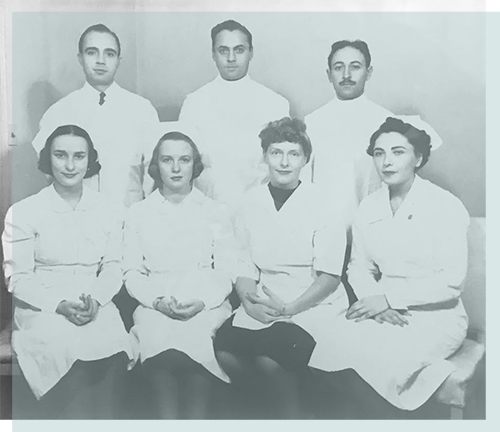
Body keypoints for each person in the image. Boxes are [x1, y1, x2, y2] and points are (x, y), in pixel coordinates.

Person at [313, 117, 469, 417]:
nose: (386, 161)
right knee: (330, 346)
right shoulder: (370, 206)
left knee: (381, 363)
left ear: (419, 158)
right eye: (379, 153)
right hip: (380, 310)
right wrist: (376, 301)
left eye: (398, 152)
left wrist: (389, 298)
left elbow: (451, 282)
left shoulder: (445, 206)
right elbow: (358, 267)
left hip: (437, 317)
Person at [213, 117, 348, 419]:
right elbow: (242, 260)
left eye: (293, 154)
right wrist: (248, 301)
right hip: (264, 298)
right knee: (224, 349)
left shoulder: (324, 203)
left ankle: (293, 417)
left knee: (268, 359)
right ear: (265, 157)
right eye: (276, 152)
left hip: (313, 301)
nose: (284, 162)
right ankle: (266, 411)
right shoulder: (250, 201)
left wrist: (290, 309)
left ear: (305, 159)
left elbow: (330, 275)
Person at [2, 125, 135, 419]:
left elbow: (114, 266)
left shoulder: (110, 209)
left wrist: (97, 300)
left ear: (90, 161)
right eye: (61, 156)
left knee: (111, 349)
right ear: (48, 160)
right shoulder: (24, 212)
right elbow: (19, 278)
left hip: (94, 301)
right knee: (66, 349)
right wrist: (59, 305)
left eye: (79, 156)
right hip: (43, 306)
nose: (71, 165)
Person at [123, 124, 236, 419]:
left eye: (184, 160)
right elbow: (132, 272)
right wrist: (157, 301)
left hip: (205, 303)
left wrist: (202, 301)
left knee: (198, 347)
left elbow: (226, 271)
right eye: (167, 160)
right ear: (155, 166)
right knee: (159, 350)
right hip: (155, 304)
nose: (175, 168)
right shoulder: (138, 214)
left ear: (195, 165)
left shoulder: (216, 212)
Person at [32, 24, 159, 208]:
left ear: (119, 60)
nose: (101, 61)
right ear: (80, 58)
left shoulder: (142, 110)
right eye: (92, 52)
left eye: (109, 54)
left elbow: (153, 172)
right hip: (76, 217)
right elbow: (50, 172)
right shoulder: (58, 113)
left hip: (128, 215)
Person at [179, 20, 290, 211]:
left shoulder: (275, 104)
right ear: (213, 54)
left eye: (239, 50)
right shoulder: (194, 103)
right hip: (207, 209)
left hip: (260, 210)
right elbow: (183, 162)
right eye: (223, 50)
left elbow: (285, 168)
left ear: (251, 52)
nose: (231, 58)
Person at [304, 39, 395, 227]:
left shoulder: (386, 121)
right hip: (325, 229)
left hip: (372, 226)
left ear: (368, 72)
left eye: (355, 67)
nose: (346, 75)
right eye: (338, 68)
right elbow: (304, 185)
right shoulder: (313, 122)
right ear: (329, 75)